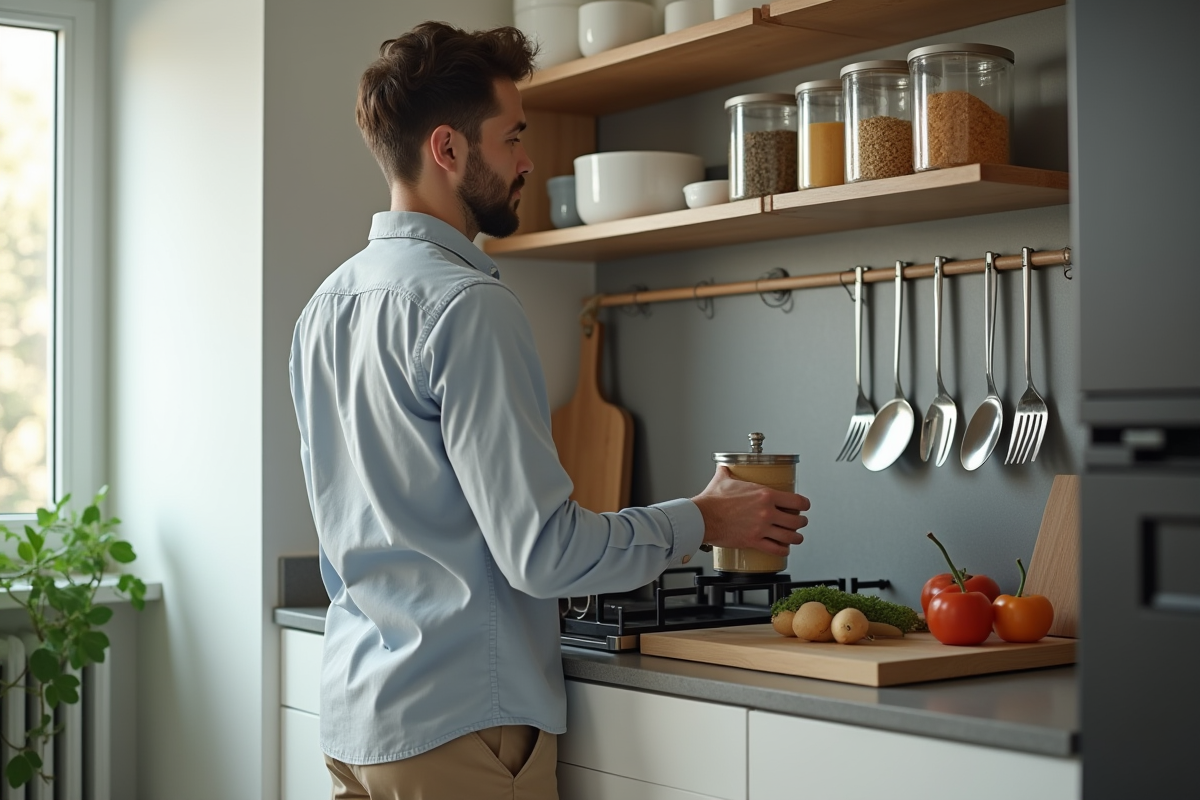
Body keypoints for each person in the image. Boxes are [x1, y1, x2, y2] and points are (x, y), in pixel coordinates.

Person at [289, 20, 811, 800]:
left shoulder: (324, 309)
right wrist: (702, 519)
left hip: (357, 720)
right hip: (457, 730)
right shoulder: (466, 306)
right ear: (448, 150)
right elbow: (542, 553)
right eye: (514, 137)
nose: (529, 160)